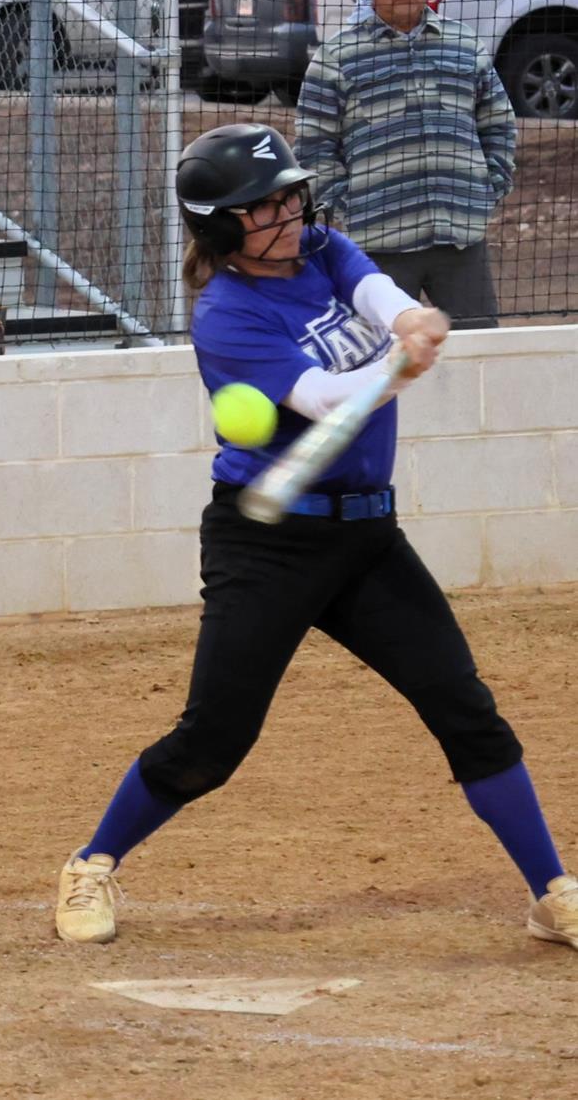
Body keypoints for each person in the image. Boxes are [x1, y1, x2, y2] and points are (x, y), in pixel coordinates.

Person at [51, 123, 578, 952]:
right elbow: (329, 401)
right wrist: (394, 369)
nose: (288, 211)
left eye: (288, 194)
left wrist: (410, 319)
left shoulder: (319, 248)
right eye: (264, 206)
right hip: (267, 547)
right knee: (213, 741)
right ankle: (91, 862)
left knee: (462, 707)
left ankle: (552, 893)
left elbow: (374, 291)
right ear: (222, 227)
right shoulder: (226, 315)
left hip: (367, 539)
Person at [296, 0, 516, 332]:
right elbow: (313, 147)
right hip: (379, 247)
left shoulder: (465, 45)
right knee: (379, 363)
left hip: (460, 238)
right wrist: (347, 204)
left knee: (478, 355)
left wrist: (489, 187)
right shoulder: (335, 58)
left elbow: (498, 122)